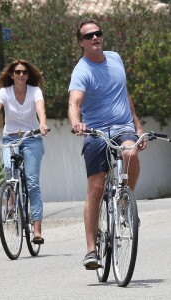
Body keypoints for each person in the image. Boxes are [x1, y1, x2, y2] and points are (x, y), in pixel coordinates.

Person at [68, 18, 147, 269]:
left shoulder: (115, 58)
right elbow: (74, 103)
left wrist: (137, 125)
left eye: (98, 33)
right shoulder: (82, 70)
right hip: (96, 130)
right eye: (89, 36)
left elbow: (124, 93)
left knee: (130, 153)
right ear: (81, 43)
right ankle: (91, 250)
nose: (95, 38)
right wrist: (76, 122)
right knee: (96, 185)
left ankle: (126, 201)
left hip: (123, 126)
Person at [0, 59, 48, 244]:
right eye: (17, 72)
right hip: (10, 138)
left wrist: (42, 124)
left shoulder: (35, 91)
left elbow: (41, 109)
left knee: (32, 182)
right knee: (10, 172)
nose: (21, 75)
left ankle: (37, 229)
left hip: (31, 138)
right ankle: (11, 201)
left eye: (24, 72)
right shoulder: (4, 92)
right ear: (11, 75)